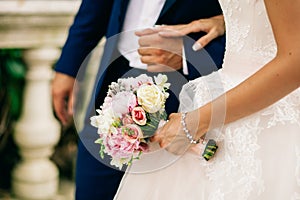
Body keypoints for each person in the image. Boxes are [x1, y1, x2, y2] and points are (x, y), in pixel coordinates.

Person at [113, 0, 300, 199]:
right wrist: (223, 22)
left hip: (273, 116)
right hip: (223, 92)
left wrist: (194, 123)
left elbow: (295, 59)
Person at [51, 0, 226, 199]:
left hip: (186, 94)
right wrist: (68, 66)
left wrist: (189, 53)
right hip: (114, 79)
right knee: (92, 186)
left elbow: (255, 30)